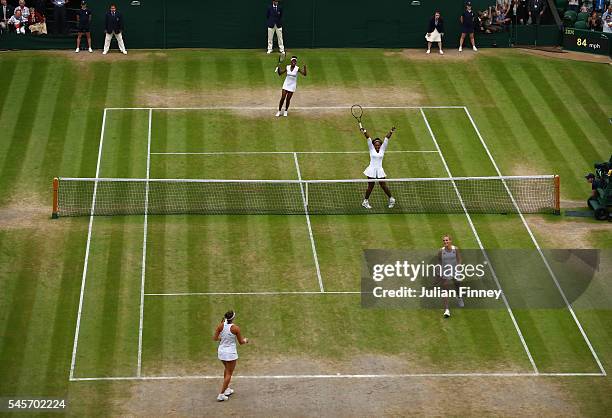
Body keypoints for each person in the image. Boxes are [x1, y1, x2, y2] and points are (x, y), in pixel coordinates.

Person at [213, 310, 248, 402]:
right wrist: (245, 340)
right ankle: (221, 394)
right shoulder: (236, 328)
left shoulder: (220, 326)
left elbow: (215, 338)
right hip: (230, 354)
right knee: (229, 373)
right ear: (233, 318)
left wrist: (222, 338)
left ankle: (227, 389)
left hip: (221, 352)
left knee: (226, 369)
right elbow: (241, 342)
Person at [359, 124, 396, 210]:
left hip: (379, 170)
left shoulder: (382, 149)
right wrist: (364, 131)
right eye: (376, 145)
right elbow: (368, 138)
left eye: (379, 145)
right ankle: (365, 201)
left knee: (383, 185)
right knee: (370, 186)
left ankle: (391, 199)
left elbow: (387, 139)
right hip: (371, 170)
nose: (377, 146)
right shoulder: (371, 149)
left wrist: (391, 131)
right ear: (373, 145)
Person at [437, 235, 464, 318]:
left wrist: (458, 266)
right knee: (445, 290)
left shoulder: (455, 249)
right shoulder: (441, 251)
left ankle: (459, 297)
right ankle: (446, 310)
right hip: (445, 272)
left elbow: (459, 259)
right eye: (444, 241)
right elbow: (439, 261)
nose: (445, 242)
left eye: (447, 240)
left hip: (455, 270)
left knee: (458, 286)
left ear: (450, 241)